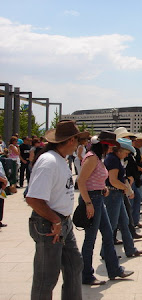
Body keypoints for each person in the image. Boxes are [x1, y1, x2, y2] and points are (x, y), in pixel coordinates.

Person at [26, 120, 89, 300]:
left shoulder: (59, 159)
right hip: (49, 223)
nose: (79, 144)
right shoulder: (49, 162)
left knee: (74, 265)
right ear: (70, 140)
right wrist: (55, 220)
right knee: (46, 277)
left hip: (61, 222)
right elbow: (33, 198)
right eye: (77, 140)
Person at [78, 131, 134, 285]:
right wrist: (88, 203)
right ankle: (86, 275)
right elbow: (81, 181)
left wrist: (102, 188)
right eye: (109, 146)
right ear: (102, 145)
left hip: (98, 198)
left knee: (108, 234)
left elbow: (93, 179)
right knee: (91, 238)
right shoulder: (91, 158)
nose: (111, 149)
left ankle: (115, 269)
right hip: (92, 200)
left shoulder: (96, 158)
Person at [103, 138, 142, 258]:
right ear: (120, 150)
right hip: (113, 194)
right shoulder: (113, 160)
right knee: (112, 225)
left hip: (117, 194)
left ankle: (130, 249)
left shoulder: (114, 159)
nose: (126, 155)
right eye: (126, 153)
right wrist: (127, 189)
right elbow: (113, 180)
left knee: (124, 222)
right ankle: (106, 252)